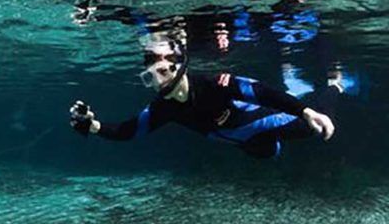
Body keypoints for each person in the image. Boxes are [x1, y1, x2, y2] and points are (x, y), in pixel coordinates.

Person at [69, 40, 352, 159]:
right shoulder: (163, 108)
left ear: (179, 61)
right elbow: (128, 131)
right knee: (265, 154)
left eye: (164, 60)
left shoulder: (214, 83)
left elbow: (262, 93)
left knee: (320, 123)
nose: (158, 68)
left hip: (261, 122)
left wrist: (305, 112)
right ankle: (299, 93)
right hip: (245, 144)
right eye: (150, 62)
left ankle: (334, 85)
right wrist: (94, 126)